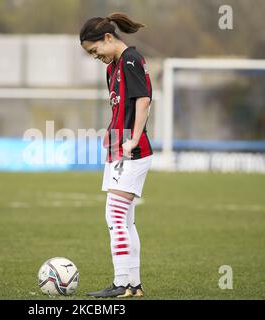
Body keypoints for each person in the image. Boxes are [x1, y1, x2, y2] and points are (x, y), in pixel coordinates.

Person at [80, 13, 153, 298]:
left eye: (94, 50)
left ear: (108, 38)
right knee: (125, 219)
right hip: (117, 147)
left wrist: (132, 139)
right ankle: (132, 286)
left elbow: (144, 100)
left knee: (114, 215)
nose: (95, 56)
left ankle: (122, 282)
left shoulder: (131, 60)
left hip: (130, 150)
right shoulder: (113, 67)